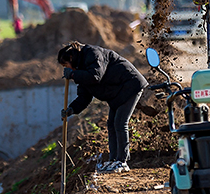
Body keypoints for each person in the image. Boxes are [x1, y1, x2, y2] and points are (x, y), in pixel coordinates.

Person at [58, 41, 148, 173]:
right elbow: (84, 96)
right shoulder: (81, 68)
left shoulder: (93, 54)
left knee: (120, 123)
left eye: (66, 65)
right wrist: (72, 109)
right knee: (111, 124)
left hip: (130, 85)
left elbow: (95, 76)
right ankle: (113, 161)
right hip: (118, 92)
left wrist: (73, 75)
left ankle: (122, 162)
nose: (67, 69)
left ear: (71, 58)